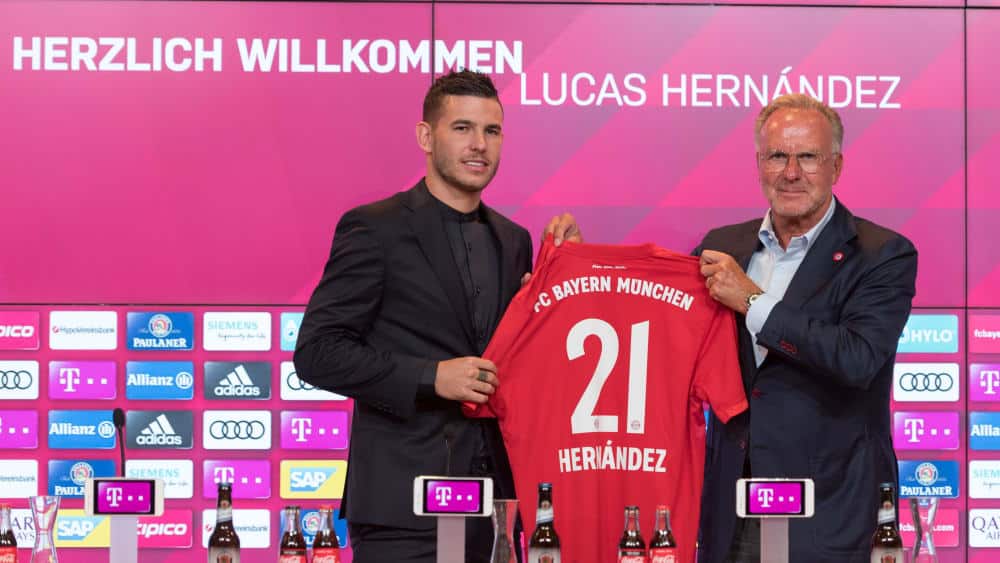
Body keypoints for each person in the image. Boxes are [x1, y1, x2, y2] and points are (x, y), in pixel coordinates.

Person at [294, 70, 579, 563]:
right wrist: (432, 377)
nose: (479, 144)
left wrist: (566, 275)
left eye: (492, 131)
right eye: (462, 128)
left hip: (496, 510)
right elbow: (318, 353)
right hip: (403, 511)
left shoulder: (514, 240)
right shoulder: (375, 229)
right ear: (426, 137)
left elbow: (524, 364)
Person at [694, 94, 918, 563]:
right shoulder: (721, 247)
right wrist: (574, 263)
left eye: (808, 157)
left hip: (832, 513)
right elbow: (664, 327)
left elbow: (856, 358)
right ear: (759, 164)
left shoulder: (883, 254)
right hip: (732, 514)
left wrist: (752, 301)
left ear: (836, 166)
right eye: (778, 155)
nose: (791, 172)